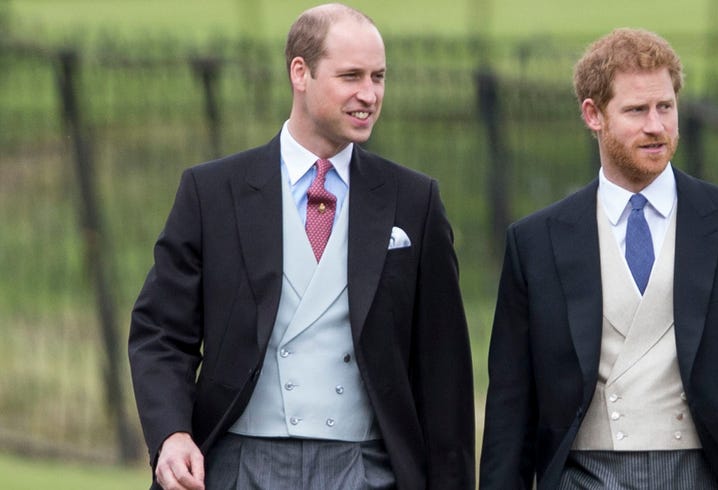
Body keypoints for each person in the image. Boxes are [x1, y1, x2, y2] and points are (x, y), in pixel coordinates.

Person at [128, 4, 474, 489]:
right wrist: (172, 433)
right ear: (300, 73)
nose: (369, 94)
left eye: (378, 77)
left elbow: (444, 371)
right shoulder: (212, 193)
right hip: (239, 466)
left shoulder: (415, 200)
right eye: (351, 76)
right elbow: (162, 332)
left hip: (367, 470)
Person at [479, 28, 718, 490]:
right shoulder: (536, 241)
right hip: (582, 478)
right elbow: (510, 403)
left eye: (665, 107)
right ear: (593, 115)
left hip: (709, 477)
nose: (656, 126)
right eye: (637, 110)